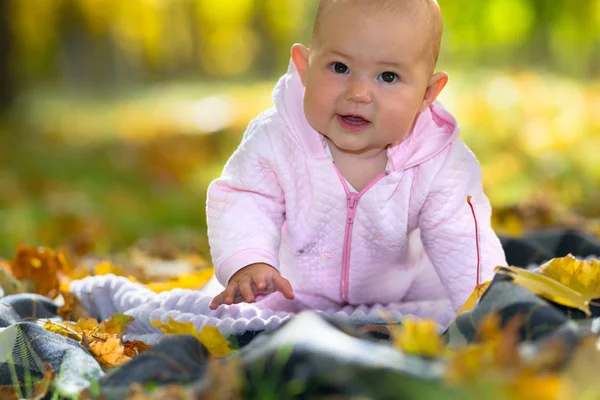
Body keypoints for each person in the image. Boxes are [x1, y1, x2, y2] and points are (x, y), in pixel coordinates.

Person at [206, 0, 507, 323]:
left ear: (427, 93)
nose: (359, 93)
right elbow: (247, 199)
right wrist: (249, 261)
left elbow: (463, 238)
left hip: (404, 294)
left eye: (388, 77)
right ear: (304, 67)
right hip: (287, 292)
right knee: (235, 319)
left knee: (459, 302)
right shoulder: (277, 138)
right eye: (340, 68)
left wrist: (487, 312)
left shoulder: (438, 161)